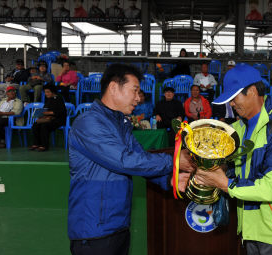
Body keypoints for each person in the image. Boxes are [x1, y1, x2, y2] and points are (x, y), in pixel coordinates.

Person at [67, 64, 193, 255]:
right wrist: (174, 161)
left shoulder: (120, 124)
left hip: (118, 224)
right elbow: (124, 161)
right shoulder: (89, 123)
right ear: (113, 87)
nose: (138, 98)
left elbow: (141, 159)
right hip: (93, 230)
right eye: (134, 91)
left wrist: (171, 179)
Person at [195, 64, 272, 255]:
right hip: (250, 229)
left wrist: (225, 183)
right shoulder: (237, 129)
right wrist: (216, 170)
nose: (231, 104)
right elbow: (236, 169)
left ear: (253, 91)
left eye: (234, 97)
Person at [29, 85, 66, 152]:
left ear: (53, 92)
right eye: (45, 92)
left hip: (58, 120)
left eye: (48, 92)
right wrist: (42, 115)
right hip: (48, 118)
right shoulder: (48, 100)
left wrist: (49, 113)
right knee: (35, 125)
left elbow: (61, 112)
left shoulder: (59, 99)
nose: (46, 94)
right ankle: (36, 143)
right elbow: (45, 110)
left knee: (44, 126)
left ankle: (44, 145)